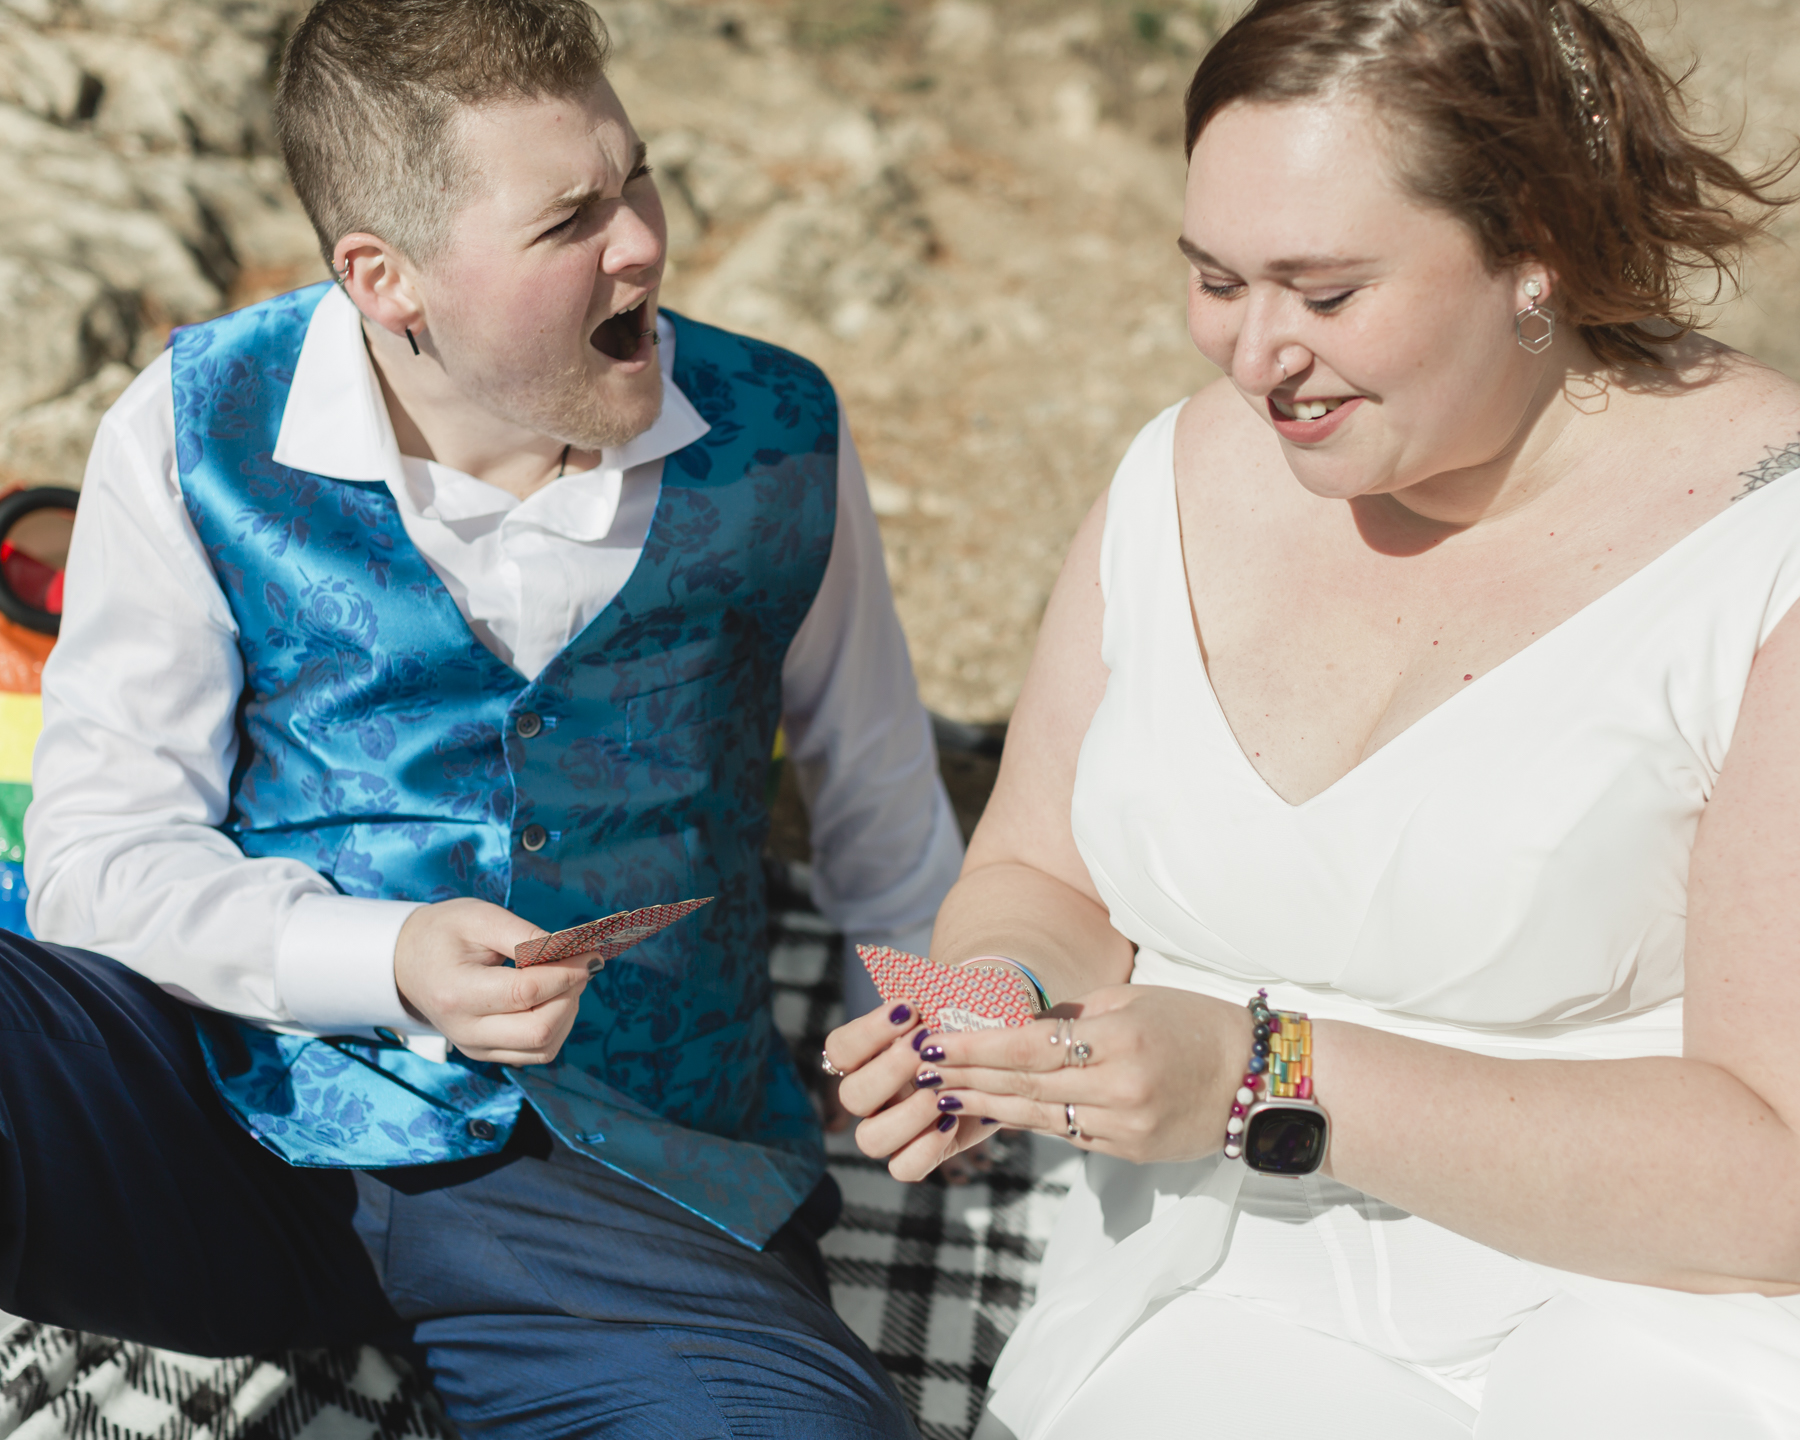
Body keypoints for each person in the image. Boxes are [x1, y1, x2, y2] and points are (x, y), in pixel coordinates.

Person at [824, 0, 1800, 1435]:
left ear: (1534, 251)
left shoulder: (1760, 552)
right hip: (1200, 1299)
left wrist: (1263, 1080)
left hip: (1650, 1320)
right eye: (1216, 280)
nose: (1253, 355)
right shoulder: (1175, 479)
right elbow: (1042, 875)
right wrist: (992, 1013)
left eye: (1325, 295)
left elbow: (1770, 1178)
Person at [5, 1, 961, 1434]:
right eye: (571, 216)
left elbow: (886, 810)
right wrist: (380, 954)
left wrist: (955, 1052)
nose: (641, 238)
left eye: (634, 177)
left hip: (621, 1178)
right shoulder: (192, 422)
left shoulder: (781, 432)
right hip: (210, 1099)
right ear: (387, 279)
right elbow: (97, 857)